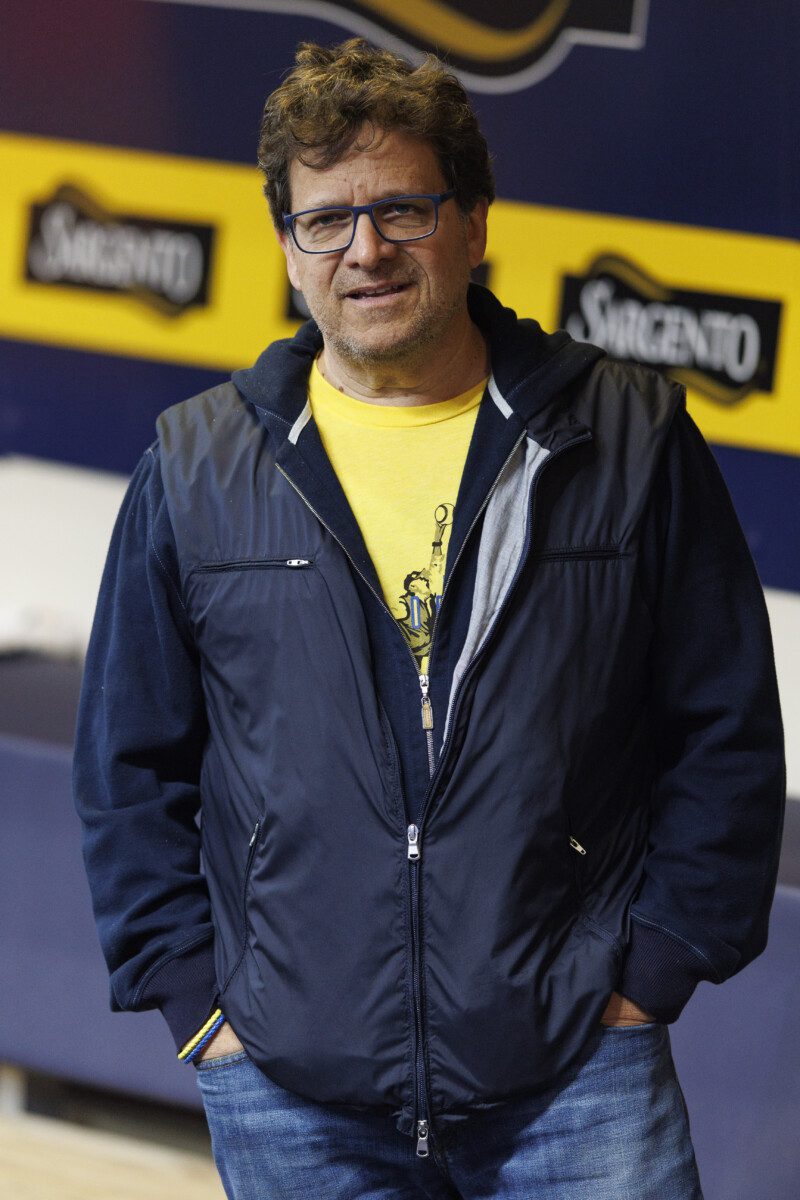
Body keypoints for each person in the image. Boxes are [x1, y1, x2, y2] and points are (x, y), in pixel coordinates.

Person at [73, 38, 785, 1200]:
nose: (364, 249)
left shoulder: (625, 438)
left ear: (473, 220)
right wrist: (199, 1010)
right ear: (287, 246)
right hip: (292, 1093)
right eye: (325, 220)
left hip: (576, 1077)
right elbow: (127, 767)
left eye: (401, 208)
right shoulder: (196, 463)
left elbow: (724, 736)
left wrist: (649, 976)